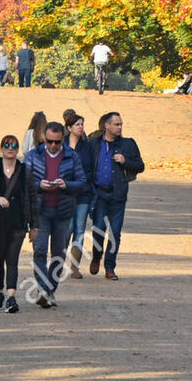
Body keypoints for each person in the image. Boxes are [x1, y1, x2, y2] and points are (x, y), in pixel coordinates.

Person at [0, 135, 38, 314]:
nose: (10, 148)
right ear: (1, 148)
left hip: (18, 222)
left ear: (18, 149)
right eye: (7, 145)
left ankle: (11, 297)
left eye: (14, 146)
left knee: (12, 260)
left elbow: (33, 199)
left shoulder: (25, 171)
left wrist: (34, 226)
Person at [27, 122, 85, 305]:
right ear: (44, 137)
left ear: (62, 139)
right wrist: (38, 185)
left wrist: (66, 184)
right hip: (40, 211)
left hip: (63, 211)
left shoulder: (72, 156)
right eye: (50, 141)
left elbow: (82, 181)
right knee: (40, 251)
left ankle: (49, 289)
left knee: (59, 254)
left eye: (57, 142)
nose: (53, 145)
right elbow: (23, 182)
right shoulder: (33, 155)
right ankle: (44, 289)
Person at [86, 112, 144, 279]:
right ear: (107, 125)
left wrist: (126, 160)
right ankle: (97, 256)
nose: (119, 127)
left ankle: (110, 267)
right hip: (99, 194)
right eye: (116, 124)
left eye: (121, 124)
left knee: (115, 232)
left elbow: (140, 166)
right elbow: (88, 166)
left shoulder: (128, 144)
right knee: (98, 229)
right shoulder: (94, 144)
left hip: (117, 194)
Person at [64, 113, 95, 278]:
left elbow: (90, 169)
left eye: (82, 124)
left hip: (83, 194)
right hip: (66, 194)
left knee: (80, 229)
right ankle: (59, 260)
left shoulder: (86, 147)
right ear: (69, 127)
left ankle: (74, 267)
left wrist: (82, 181)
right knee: (67, 229)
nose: (81, 127)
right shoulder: (61, 146)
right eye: (77, 124)